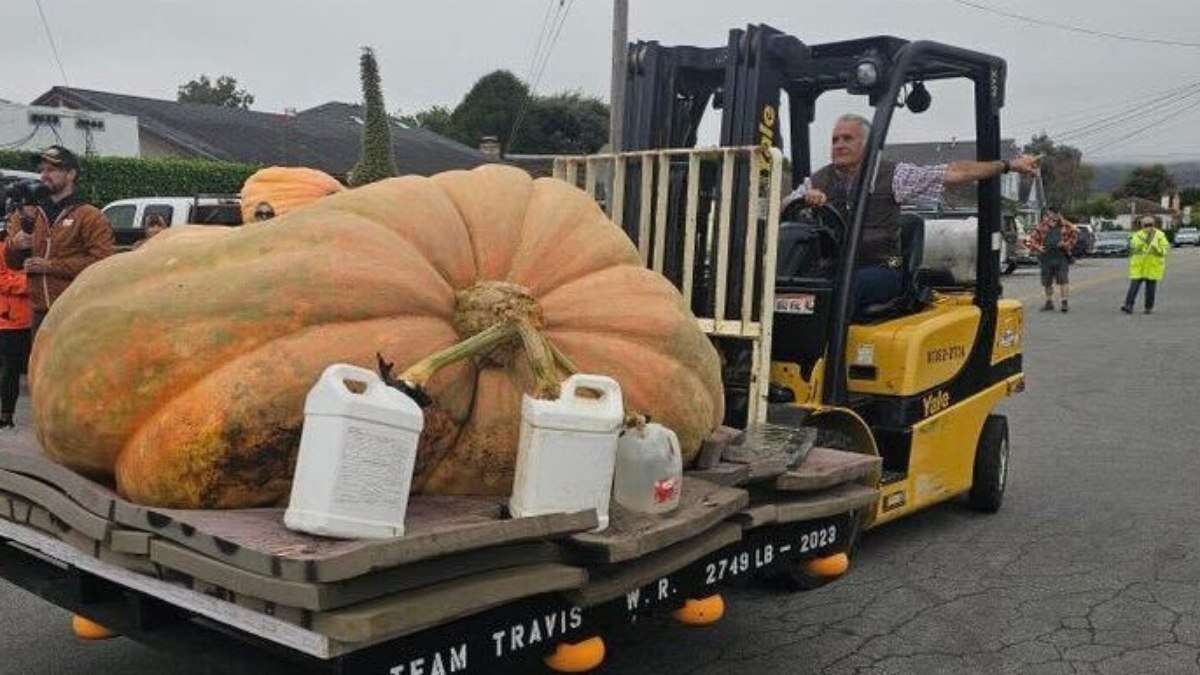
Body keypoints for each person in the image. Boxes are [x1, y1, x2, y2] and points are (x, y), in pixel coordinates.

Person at [782, 114, 1040, 319]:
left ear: (868, 144)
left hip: (883, 267)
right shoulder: (819, 180)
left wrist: (1007, 165)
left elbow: (952, 172)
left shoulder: (892, 175)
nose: (838, 145)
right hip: (836, 267)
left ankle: (828, 370)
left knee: (843, 289)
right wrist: (803, 199)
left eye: (847, 139)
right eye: (835, 139)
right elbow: (783, 207)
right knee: (786, 285)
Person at [5, 146, 114, 339]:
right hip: (39, 315)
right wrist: (15, 245)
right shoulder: (27, 214)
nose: (44, 175)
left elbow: (103, 264)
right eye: (41, 170)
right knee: (40, 369)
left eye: (51, 170)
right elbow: (12, 263)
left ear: (71, 174)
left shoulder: (89, 215)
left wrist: (50, 266)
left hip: (77, 313)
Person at [0, 227, 31, 429]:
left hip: (30, 320)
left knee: (19, 370)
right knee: (9, 370)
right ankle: (6, 414)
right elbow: (2, 281)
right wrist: (31, 282)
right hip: (9, 321)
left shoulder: (40, 247)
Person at [1026, 206, 1078, 313]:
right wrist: (1038, 247)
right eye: (1049, 214)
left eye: (1053, 214)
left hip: (1061, 256)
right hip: (1046, 257)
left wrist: (1066, 244)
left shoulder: (1067, 225)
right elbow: (1031, 240)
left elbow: (1074, 236)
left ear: (1058, 214)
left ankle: (1064, 303)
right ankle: (1049, 302)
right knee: (1047, 282)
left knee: (1063, 280)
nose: (1050, 217)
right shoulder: (1042, 226)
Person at [1121, 216, 1169, 315]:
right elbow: (1133, 246)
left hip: (1152, 266)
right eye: (1146, 225)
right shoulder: (1137, 235)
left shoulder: (1160, 235)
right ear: (1142, 225)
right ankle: (1128, 305)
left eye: (1150, 225)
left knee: (1151, 289)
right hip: (1139, 266)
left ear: (1154, 225)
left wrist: (1157, 249)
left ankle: (1148, 307)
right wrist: (1144, 243)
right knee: (1133, 287)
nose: (1148, 227)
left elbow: (1165, 249)